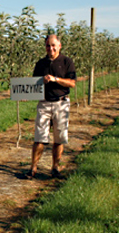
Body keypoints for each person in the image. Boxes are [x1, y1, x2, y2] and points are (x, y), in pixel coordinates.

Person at [26, 34, 76, 179]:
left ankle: (55, 168)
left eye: (53, 45)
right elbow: (33, 84)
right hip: (44, 103)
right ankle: (33, 168)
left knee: (59, 137)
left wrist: (55, 79)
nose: (51, 48)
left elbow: (72, 83)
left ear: (59, 46)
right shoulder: (40, 63)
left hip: (61, 103)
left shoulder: (67, 62)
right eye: (48, 45)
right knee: (39, 137)